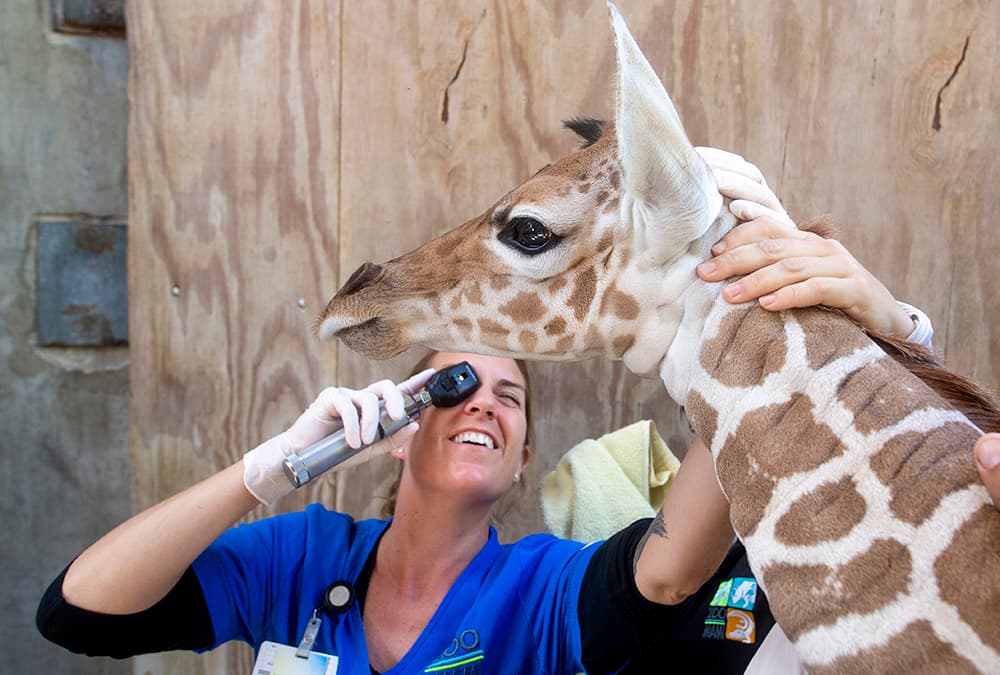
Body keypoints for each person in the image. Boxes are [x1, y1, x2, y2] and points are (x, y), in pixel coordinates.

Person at [36, 151, 992, 674]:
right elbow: (78, 614)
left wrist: (876, 323)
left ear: (526, 456)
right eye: (453, 384)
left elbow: (672, 564)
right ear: (400, 423)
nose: (484, 404)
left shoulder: (539, 587)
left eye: (511, 396)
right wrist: (272, 468)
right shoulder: (306, 560)